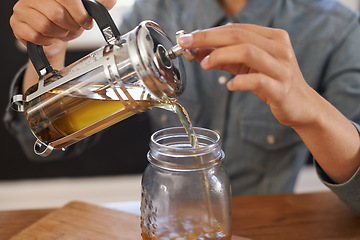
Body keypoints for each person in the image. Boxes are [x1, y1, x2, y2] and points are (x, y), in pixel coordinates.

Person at [6, 0, 360, 215]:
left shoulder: (338, 29)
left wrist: (312, 112)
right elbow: (43, 146)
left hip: (269, 224)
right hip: (168, 221)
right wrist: (50, 58)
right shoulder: (153, 13)